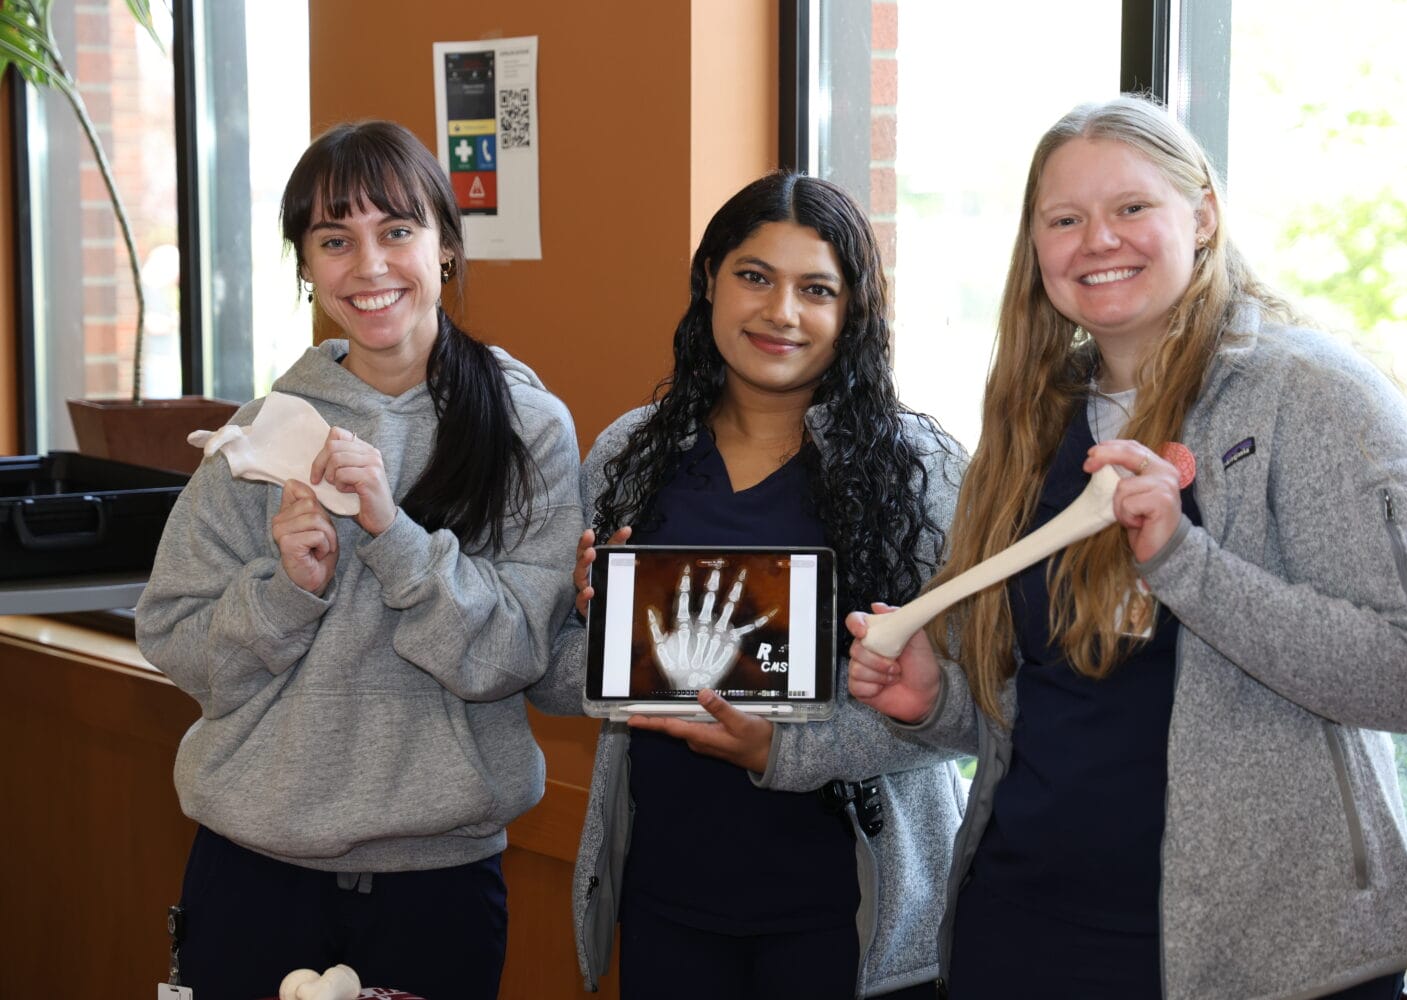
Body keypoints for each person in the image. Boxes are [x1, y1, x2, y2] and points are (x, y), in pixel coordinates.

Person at [846, 95, 1407, 1000]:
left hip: (1263, 964)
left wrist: (1183, 559)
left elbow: (1406, 674)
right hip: (1023, 933)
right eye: (1066, 219)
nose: (1098, 240)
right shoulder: (1030, 419)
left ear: (1201, 214)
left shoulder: (1320, 398)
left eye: (1131, 208)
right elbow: (1043, 706)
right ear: (1037, 246)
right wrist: (934, 700)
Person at [135, 120, 581, 999]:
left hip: (440, 885)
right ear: (306, 265)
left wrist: (393, 538)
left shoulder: (527, 429)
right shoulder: (264, 434)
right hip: (254, 872)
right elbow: (173, 636)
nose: (370, 267)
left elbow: (513, 655)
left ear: (446, 247)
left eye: (398, 232)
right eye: (335, 240)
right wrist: (283, 594)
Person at [528, 171, 968, 999]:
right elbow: (550, 681)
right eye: (755, 277)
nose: (782, 313)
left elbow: (973, 707)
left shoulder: (923, 475)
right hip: (668, 900)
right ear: (709, 281)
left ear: (854, 313)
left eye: (817, 289)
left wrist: (784, 753)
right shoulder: (629, 454)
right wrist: (590, 632)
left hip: (854, 919)